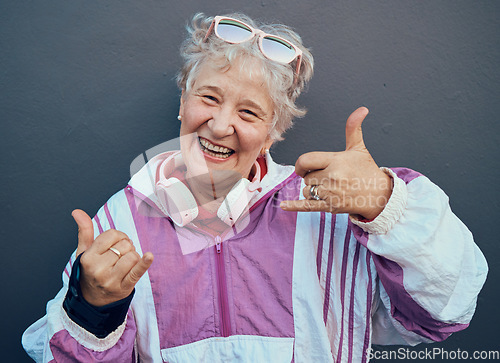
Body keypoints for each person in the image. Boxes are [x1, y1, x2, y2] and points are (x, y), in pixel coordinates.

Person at [22, 13, 487, 362]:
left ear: (272, 133)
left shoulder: (331, 213)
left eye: (248, 113)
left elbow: (442, 315)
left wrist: (386, 205)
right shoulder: (119, 222)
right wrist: (93, 308)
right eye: (208, 98)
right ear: (183, 103)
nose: (221, 125)